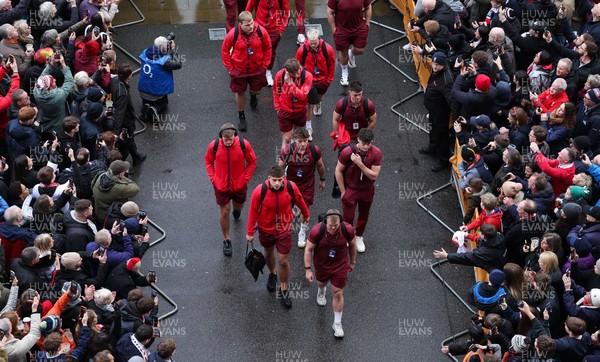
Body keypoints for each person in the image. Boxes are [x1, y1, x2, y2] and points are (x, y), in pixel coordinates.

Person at [246, 166, 309, 309]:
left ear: (283, 179)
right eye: (274, 180)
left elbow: (299, 200)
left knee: (284, 260)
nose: (277, 183)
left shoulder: (290, 187)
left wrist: (306, 214)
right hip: (265, 229)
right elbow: (253, 211)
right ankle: (273, 273)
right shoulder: (259, 191)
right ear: (269, 179)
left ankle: (284, 288)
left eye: (279, 180)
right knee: (268, 252)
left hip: (284, 229)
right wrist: (250, 232)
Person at [204, 123, 257, 256]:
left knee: (239, 206)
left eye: (230, 138)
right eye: (225, 139)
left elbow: (252, 162)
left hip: (239, 186)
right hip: (221, 186)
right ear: (221, 137)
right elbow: (208, 162)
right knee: (225, 211)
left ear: (235, 135)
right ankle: (227, 239)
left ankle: (237, 212)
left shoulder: (244, 145)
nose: (228, 141)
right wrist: (214, 179)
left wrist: (245, 179)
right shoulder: (214, 146)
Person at [304, 209, 356, 338]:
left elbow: (353, 245)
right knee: (321, 282)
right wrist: (308, 269)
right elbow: (308, 249)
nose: (333, 228)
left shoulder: (347, 229)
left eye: (336, 226)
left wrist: (352, 262)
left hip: (340, 265)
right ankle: (321, 291)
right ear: (325, 222)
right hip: (322, 264)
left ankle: (337, 323)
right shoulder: (317, 231)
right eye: (330, 226)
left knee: (338, 292)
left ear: (340, 223)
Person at [221, 11, 272, 132]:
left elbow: (268, 47)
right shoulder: (233, 34)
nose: (251, 27)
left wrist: (264, 66)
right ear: (240, 25)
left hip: (257, 68)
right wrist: (230, 69)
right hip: (239, 70)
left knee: (257, 90)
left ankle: (253, 95)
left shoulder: (261, 31)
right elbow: (224, 51)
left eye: (252, 23)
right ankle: (241, 116)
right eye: (247, 25)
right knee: (239, 92)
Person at [334, 128, 382, 253]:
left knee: (364, 214)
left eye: (369, 143)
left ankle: (359, 236)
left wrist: (360, 164)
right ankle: (348, 236)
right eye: (363, 143)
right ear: (358, 140)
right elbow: (338, 171)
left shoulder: (376, 153)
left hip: (367, 189)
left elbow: (373, 175)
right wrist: (343, 191)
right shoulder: (347, 152)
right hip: (351, 189)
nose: (366, 147)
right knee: (348, 216)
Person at [277, 127, 325, 247]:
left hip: (307, 185)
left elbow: (320, 166)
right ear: (294, 140)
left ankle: (302, 231)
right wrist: (278, 183)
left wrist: (322, 179)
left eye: (305, 140)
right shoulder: (288, 151)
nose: (303, 144)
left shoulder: (314, 150)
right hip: (290, 185)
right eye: (300, 141)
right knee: (286, 206)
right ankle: (285, 228)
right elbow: (280, 168)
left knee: (305, 208)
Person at [295, 28, 336, 133]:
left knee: (319, 98)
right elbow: (297, 66)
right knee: (308, 104)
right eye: (311, 43)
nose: (313, 45)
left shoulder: (328, 49)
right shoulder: (302, 50)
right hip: (309, 82)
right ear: (307, 40)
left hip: (323, 80)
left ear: (319, 38)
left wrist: (329, 79)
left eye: (315, 43)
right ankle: (308, 126)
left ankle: (318, 102)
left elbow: (332, 64)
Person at [420, 52, 453, 172]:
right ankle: (432, 147)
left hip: (441, 113)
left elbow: (451, 100)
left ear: (443, 64)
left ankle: (443, 160)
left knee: (442, 136)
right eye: (434, 63)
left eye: (438, 64)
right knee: (433, 129)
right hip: (433, 109)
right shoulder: (438, 71)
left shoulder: (446, 80)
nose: (434, 66)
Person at [326, 0, 372, 86]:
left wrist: (367, 23)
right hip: (342, 29)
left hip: (359, 28)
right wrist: (333, 28)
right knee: (343, 52)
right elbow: (330, 12)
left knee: (360, 50)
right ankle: (344, 72)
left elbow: (368, 7)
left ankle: (350, 54)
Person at [138, 35, 182, 122]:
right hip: (156, 94)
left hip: (142, 91)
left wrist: (164, 45)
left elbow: (158, 51)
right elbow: (178, 64)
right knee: (164, 103)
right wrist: (173, 50)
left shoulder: (145, 52)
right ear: (163, 49)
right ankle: (155, 109)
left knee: (147, 100)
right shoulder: (164, 62)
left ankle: (146, 106)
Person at [109, 63, 146, 166]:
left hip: (122, 118)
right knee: (127, 140)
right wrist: (116, 132)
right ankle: (120, 162)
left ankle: (136, 156)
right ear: (129, 75)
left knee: (129, 139)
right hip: (126, 121)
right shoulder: (123, 92)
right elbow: (121, 113)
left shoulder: (114, 80)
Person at [245, 0, 288, 87]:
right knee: (256, 50)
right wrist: (250, 26)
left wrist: (280, 30)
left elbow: (286, 13)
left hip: (274, 30)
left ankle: (268, 72)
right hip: (258, 28)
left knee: (271, 52)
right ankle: (255, 71)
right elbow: (248, 11)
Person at [273, 58, 313, 150]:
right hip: (285, 111)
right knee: (287, 138)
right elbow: (276, 91)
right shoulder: (280, 75)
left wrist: (290, 84)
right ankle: (286, 161)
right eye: (293, 73)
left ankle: (296, 158)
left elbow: (302, 96)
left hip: (300, 111)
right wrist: (278, 108)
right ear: (287, 71)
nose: (297, 74)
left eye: (298, 71)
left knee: (298, 137)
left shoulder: (307, 76)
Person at [433, 223, 507, 272]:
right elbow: (482, 241)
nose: (479, 233)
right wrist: (468, 236)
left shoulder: (483, 252)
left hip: (496, 269)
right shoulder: (499, 236)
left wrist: (447, 256)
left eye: (480, 233)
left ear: (484, 236)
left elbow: (467, 257)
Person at [32, 53, 72, 134]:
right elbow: (69, 82)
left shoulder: (36, 91)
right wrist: (63, 64)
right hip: (58, 124)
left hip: (46, 120)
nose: (55, 80)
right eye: (53, 81)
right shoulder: (59, 96)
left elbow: (43, 75)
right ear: (50, 87)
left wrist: (52, 64)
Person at [91, 160, 140, 224]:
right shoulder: (119, 188)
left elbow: (92, 185)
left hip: (98, 211)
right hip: (109, 218)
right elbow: (136, 188)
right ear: (121, 174)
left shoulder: (101, 175)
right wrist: (123, 178)